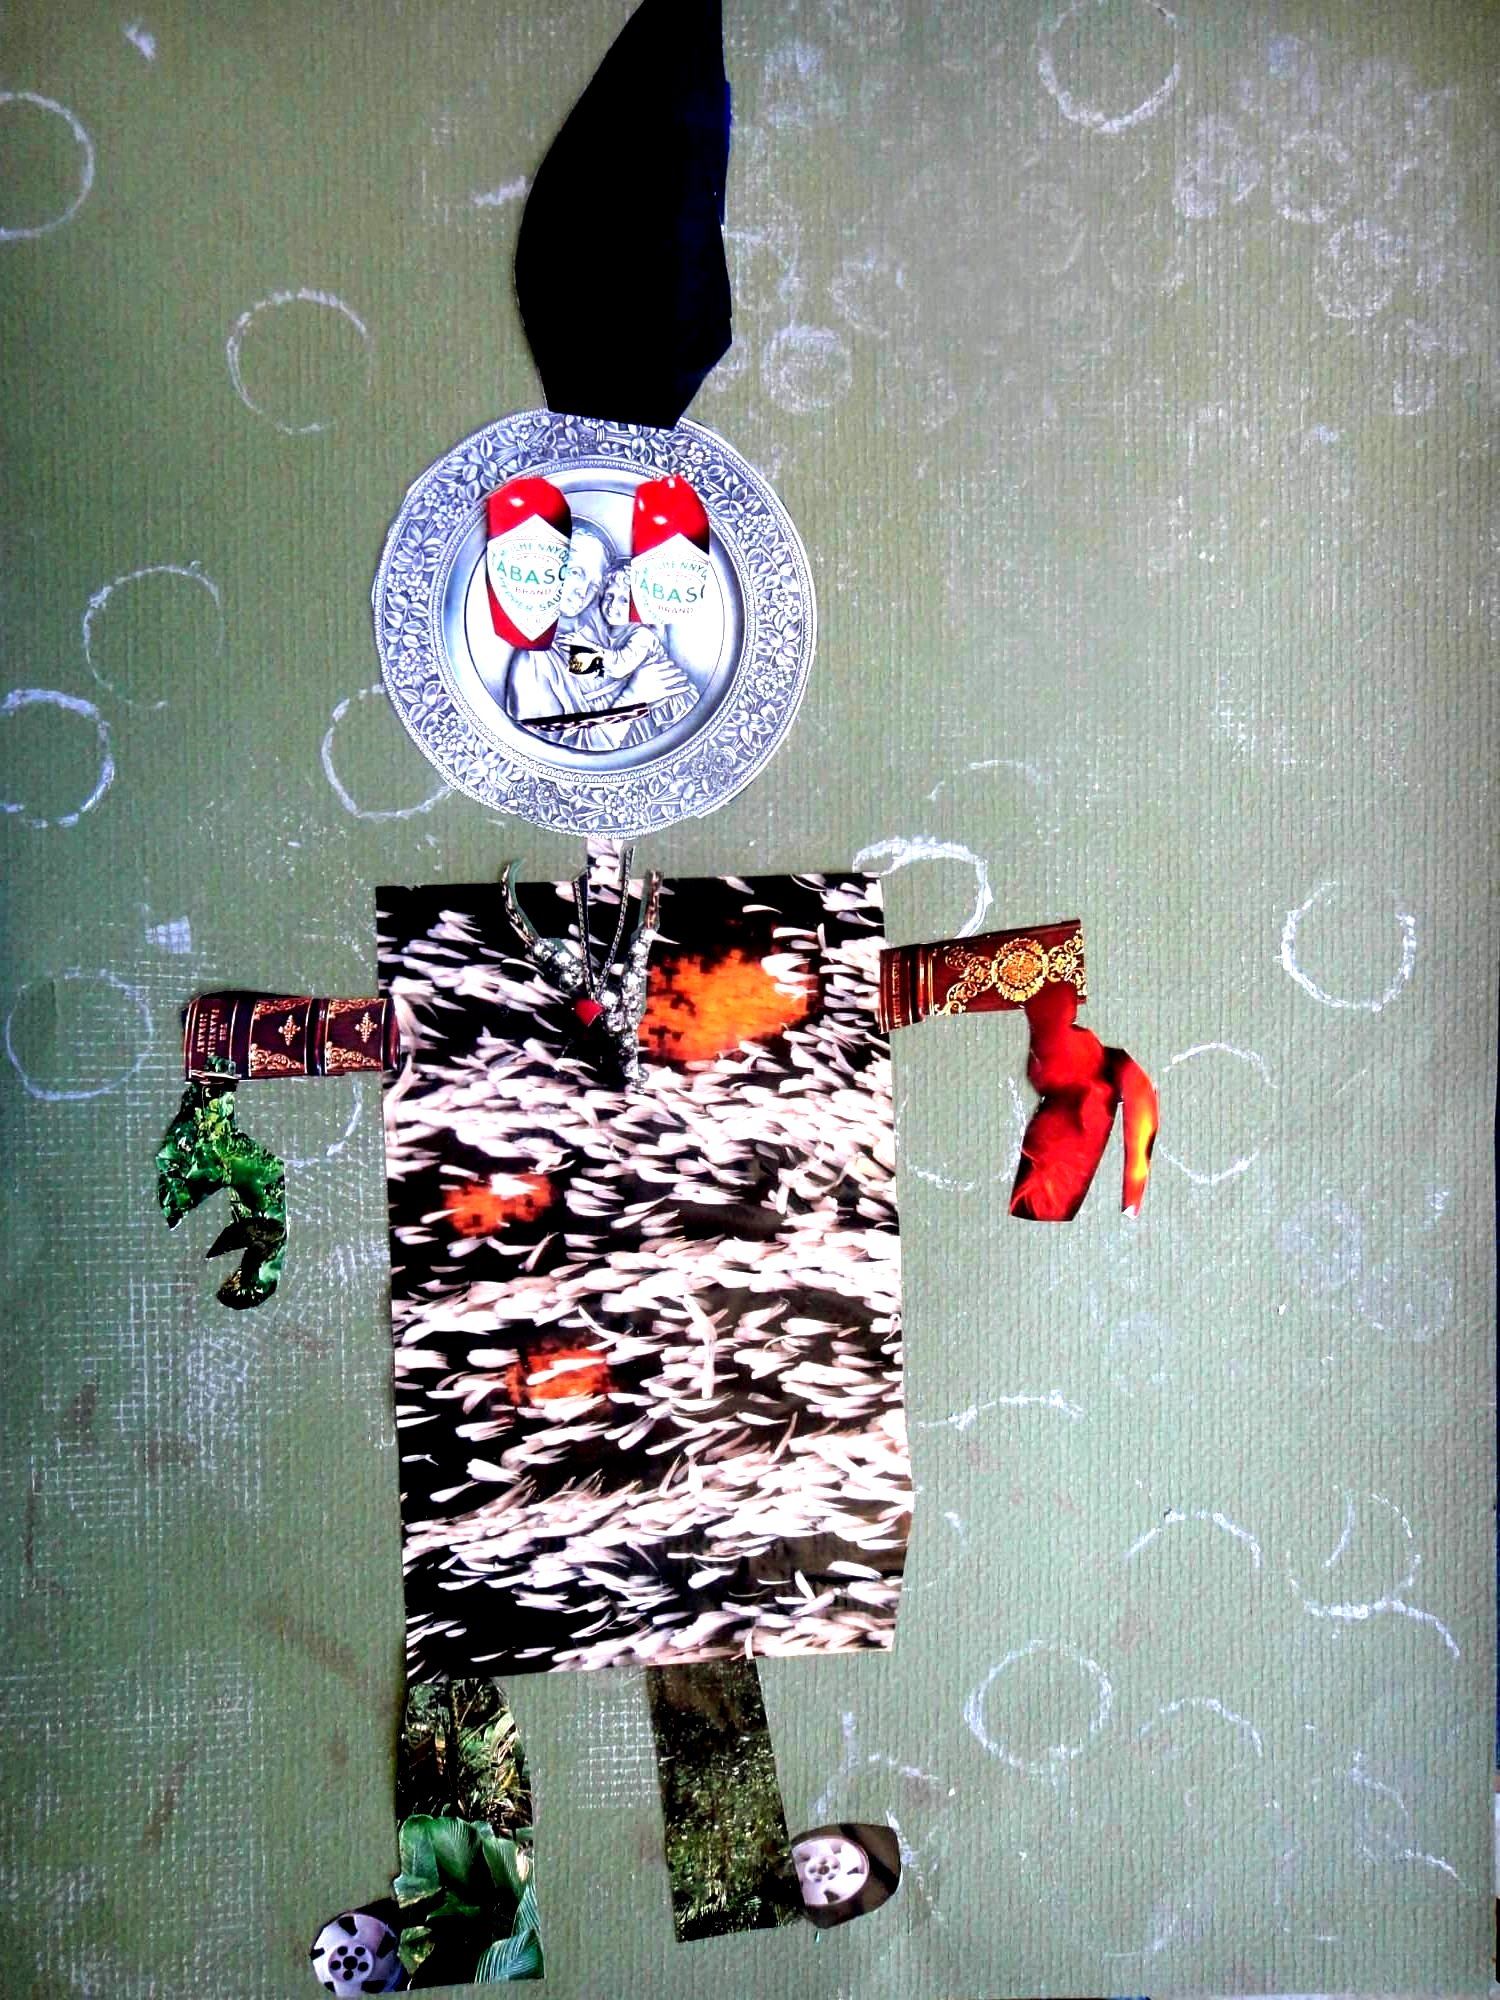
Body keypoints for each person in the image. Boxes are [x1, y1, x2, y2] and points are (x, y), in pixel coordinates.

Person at [505, 525, 695, 751]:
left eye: (595, 584)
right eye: (576, 573)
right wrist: (634, 698)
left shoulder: (608, 633)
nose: (583, 591)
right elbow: (550, 752)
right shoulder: (533, 662)